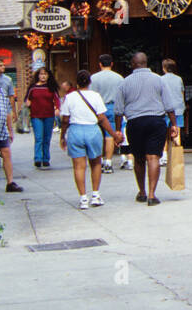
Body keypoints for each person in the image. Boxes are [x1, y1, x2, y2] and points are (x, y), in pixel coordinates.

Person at [117, 51, 179, 206]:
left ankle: (142, 192)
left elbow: (118, 109)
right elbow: (169, 105)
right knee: (153, 157)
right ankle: (152, 195)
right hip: (156, 121)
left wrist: (118, 130)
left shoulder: (124, 82)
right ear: (146, 63)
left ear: (133, 64)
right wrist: (174, 124)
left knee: (138, 159)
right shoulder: (159, 80)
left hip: (135, 122)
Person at [58, 69, 123, 210]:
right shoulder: (95, 96)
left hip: (75, 130)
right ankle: (95, 195)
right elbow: (102, 118)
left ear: (76, 82)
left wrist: (63, 136)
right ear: (89, 82)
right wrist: (113, 134)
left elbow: (65, 119)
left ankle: (82, 198)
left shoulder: (70, 97)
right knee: (96, 163)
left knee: (79, 166)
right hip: (93, 131)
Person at [89, 54, 127, 174]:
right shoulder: (119, 78)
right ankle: (109, 162)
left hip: (98, 108)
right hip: (113, 107)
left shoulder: (94, 78)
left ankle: (99, 160)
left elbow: (91, 95)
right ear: (111, 64)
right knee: (110, 135)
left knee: (98, 135)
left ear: (100, 64)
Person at [25, 67, 61, 169]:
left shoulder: (51, 87)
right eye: (41, 74)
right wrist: (27, 103)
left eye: (45, 74)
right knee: (39, 137)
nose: (43, 76)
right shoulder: (32, 87)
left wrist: (57, 108)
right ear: (38, 76)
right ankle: (37, 158)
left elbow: (57, 100)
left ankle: (46, 159)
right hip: (36, 116)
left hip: (49, 116)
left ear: (48, 76)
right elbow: (27, 99)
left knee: (47, 138)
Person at [159, 58, 185, 166]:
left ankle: (164, 156)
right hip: (178, 108)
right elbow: (182, 93)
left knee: (164, 133)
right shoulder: (179, 79)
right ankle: (176, 156)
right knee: (176, 132)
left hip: (164, 109)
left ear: (164, 68)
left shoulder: (160, 79)